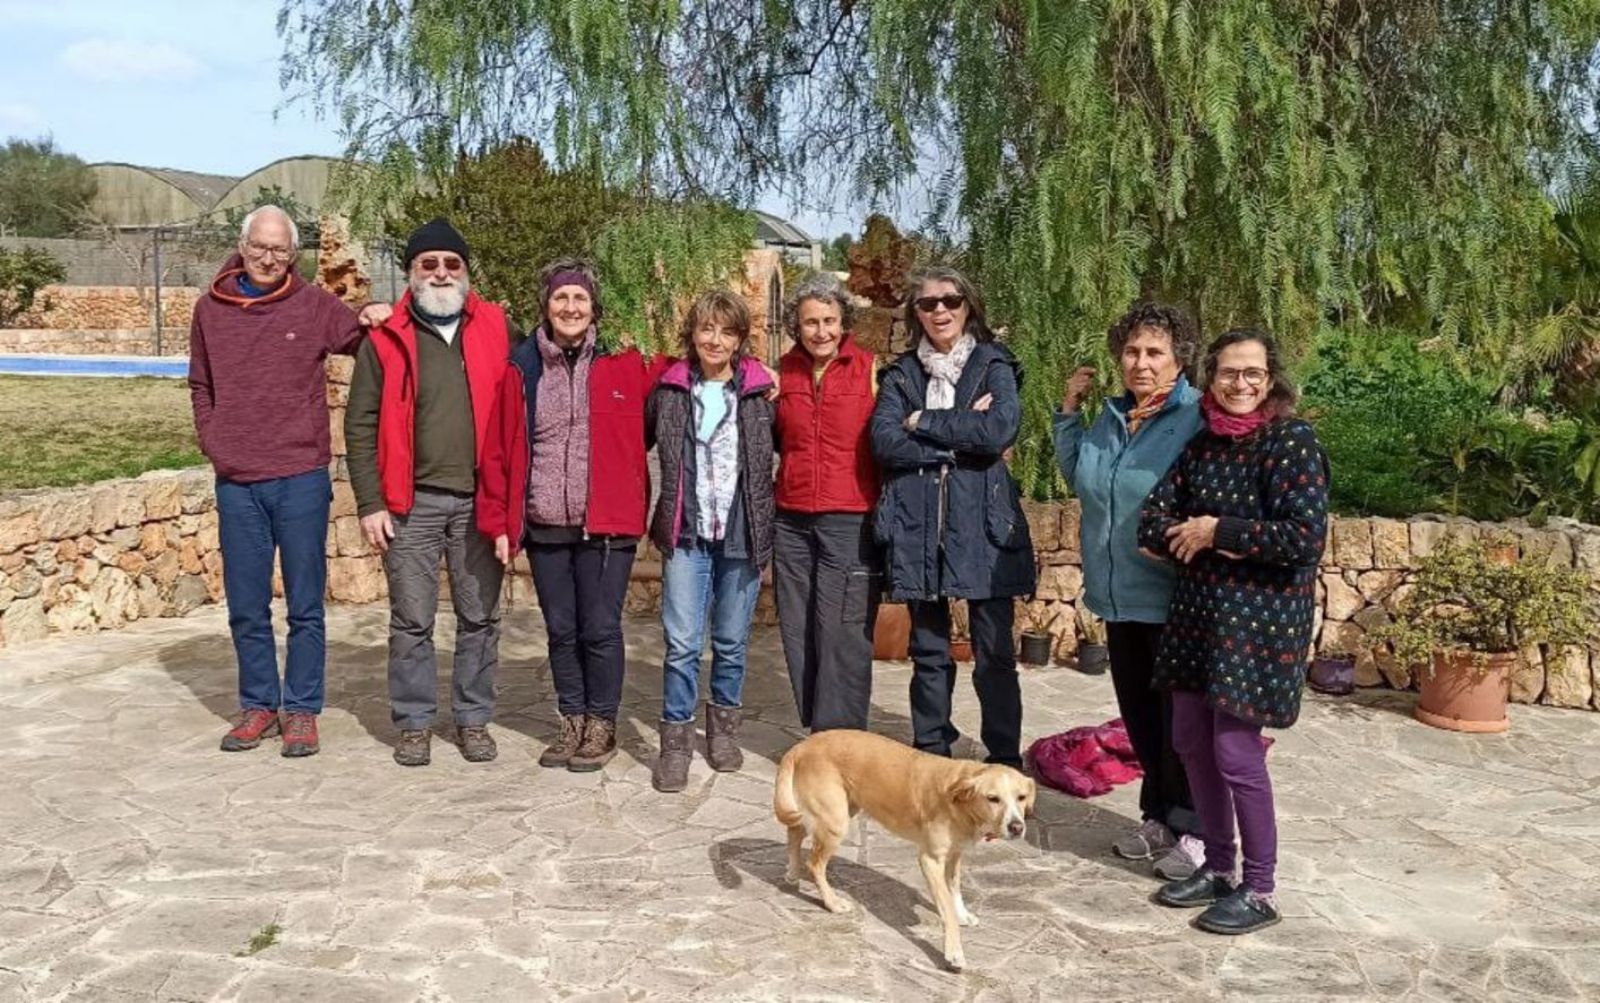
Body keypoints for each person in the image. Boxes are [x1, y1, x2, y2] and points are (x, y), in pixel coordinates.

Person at [1137, 328, 1329, 935]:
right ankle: (1219, 868)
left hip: (1261, 624)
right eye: (1227, 373)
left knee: (1236, 753)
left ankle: (1261, 887)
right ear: (1210, 379)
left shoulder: (1291, 443)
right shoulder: (1203, 444)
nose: (1239, 384)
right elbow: (1153, 522)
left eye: (1252, 373)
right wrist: (1221, 541)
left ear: (1271, 379)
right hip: (1201, 617)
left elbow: (1302, 539)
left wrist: (1216, 533)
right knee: (1191, 740)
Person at [189, 204, 366, 758]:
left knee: (306, 605)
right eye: (261, 247)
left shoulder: (313, 305)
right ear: (242, 247)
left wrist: (379, 313)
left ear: (295, 255)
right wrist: (215, 440)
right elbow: (200, 384)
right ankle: (259, 705)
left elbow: (367, 342)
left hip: (301, 477)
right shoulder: (209, 310)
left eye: (281, 250)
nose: (270, 258)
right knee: (246, 603)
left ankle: (303, 710)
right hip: (238, 479)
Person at [477, 259, 666, 772]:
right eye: (561, 298)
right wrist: (499, 522)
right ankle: (573, 719)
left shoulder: (626, 362)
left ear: (593, 307)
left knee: (600, 627)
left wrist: (756, 376)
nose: (570, 307)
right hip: (545, 521)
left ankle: (602, 723)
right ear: (547, 305)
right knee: (561, 628)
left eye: (579, 298)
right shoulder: (523, 368)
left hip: (608, 522)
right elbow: (499, 449)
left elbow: (689, 370)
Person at [344, 218, 518, 767]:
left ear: (466, 272)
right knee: (411, 620)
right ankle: (414, 722)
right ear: (411, 273)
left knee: (479, 618)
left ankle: (472, 719)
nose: (441, 272)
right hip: (410, 503)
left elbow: (517, 413)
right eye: (429, 264)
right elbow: (360, 423)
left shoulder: (494, 326)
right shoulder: (384, 337)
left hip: (477, 502)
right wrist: (370, 502)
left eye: (452, 263)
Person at [1052, 301, 1205, 880]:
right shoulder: (1113, 416)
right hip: (1117, 598)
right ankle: (1158, 817)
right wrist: (1069, 414)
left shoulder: (1196, 419)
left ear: (1178, 360)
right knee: (1140, 718)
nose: (1141, 363)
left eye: (1155, 353)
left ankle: (1196, 828)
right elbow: (1083, 481)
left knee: (1180, 724)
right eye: (1133, 352)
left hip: (1174, 600)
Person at [869, 266, 1035, 769]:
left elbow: (999, 429)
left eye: (951, 300)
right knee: (929, 652)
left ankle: (1004, 757)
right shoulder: (901, 374)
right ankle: (932, 751)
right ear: (915, 313)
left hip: (984, 525)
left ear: (968, 306)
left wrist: (923, 422)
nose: (940, 310)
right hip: (921, 528)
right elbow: (884, 441)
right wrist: (958, 441)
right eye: (928, 303)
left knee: (994, 655)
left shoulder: (994, 364)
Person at [646, 289, 776, 792]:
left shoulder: (760, 395)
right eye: (706, 329)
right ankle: (675, 743)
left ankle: (722, 733)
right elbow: (636, 439)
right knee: (681, 644)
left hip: (742, 534)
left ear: (740, 339)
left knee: (730, 642)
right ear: (692, 334)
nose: (715, 339)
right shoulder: (671, 390)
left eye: (726, 331)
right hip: (687, 534)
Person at [771, 273, 882, 733]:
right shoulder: (783, 372)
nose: (821, 332)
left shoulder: (870, 369)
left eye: (830, 321)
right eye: (811, 322)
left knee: (842, 632)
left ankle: (844, 739)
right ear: (797, 326)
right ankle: (819, 732)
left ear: (844, 322)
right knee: (798, 629)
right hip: (791, 519)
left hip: (849, 518)